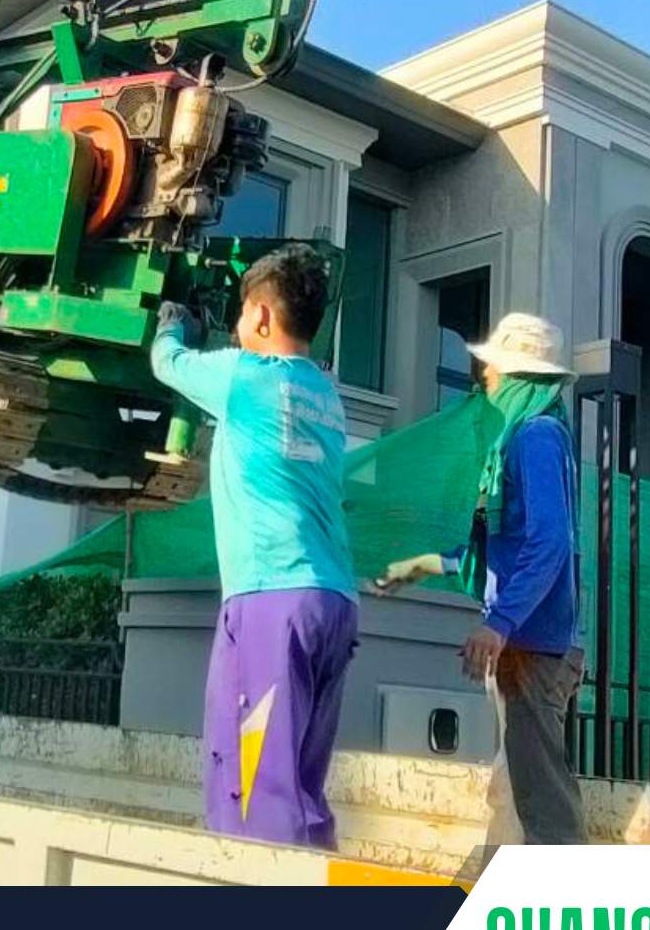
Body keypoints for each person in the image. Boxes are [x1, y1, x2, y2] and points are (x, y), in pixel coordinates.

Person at [151, 243, 357, 849]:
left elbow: (168, 363)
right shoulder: (327, 394)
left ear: (263, 316)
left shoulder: (243, 377)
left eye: (242, 314)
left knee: (256, 783)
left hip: (272, 596)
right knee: (299, 781)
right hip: (333, 599)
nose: (238, 328)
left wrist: (171, 325)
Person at [378, 312, 586, 844]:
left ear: (517, 377)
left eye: (492, 369)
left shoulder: (534, 437)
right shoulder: (528, 436)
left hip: (532, 648)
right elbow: (509, 543)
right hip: (528, 645)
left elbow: (549, 542)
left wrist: (499, 623)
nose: (483, 379)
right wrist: (428, 564)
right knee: (513, 793)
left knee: (542, 805)